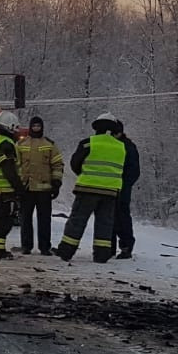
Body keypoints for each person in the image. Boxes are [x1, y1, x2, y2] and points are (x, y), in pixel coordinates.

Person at [56, 113, 127, 264]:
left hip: (88, 189)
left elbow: (75, 162)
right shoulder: (121, 147)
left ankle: (66, 251)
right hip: (110, 191)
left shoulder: (88, 143)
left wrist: (84, 174)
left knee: (77, 221)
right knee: (105, 223)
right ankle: (101, 255)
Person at [15, 116, 64, 255]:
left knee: (44, 220)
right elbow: (15, 165)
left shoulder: (50, 144)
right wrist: (18, 185)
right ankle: (26, 246)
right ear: (30, 127)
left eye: (38, 126)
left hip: (44, 189)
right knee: (25, 219)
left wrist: (56, 183)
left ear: (42, 127)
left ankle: (44, 247)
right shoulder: (21, 144)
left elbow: (57, 164)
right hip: (27, 188)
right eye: (34, 126)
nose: (36, 128)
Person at [0, 111, 26, 263]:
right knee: (3, 222)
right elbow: (8, 169)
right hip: (6, 191)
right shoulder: (6, 144)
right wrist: (19, 188)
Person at [112, 120, 141, 259]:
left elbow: (134, 171)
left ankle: (126, 246)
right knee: (108, 217)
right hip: (111, 186)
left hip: (121, 188)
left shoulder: (128, 147)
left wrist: (124, 184)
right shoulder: (122, 145)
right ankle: (109, 246)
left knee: (121, 217)